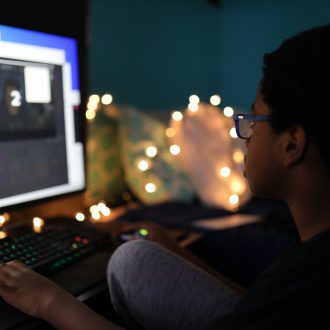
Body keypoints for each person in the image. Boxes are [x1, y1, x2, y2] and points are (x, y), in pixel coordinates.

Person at [1, 24, 330, 329]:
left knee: (130, 261)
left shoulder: (308, 276)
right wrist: (176, 251)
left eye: (254, 118)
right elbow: (256, 310)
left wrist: (47, 300)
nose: (246, 133)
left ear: (292, 145)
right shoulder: (302, 269)